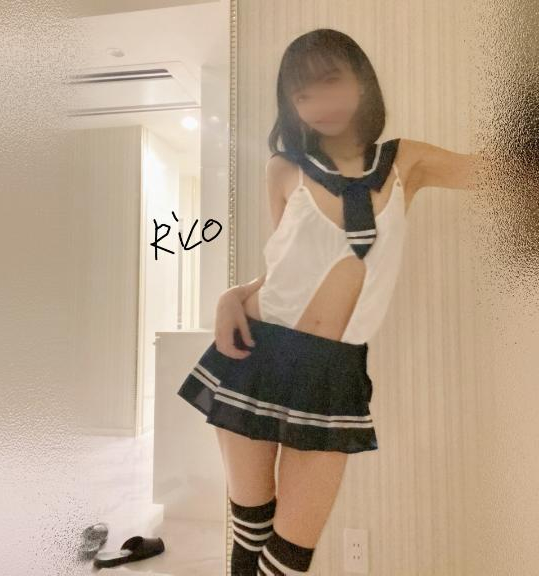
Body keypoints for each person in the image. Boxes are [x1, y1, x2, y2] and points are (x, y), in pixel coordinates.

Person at [177, 28, 480, 575]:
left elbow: (500, 172)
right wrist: (231, 294)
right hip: (256, 354)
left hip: (332, 371)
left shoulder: (404, 162)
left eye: (331, 82)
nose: (319, 103)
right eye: (303, 94)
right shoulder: (283, 169)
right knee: (250, 532)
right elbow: (282, 272)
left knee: (288, 558)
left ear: (361, 82)